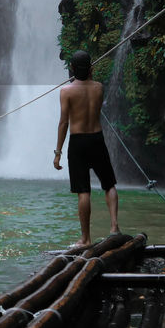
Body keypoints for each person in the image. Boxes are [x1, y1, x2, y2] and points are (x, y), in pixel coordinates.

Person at [53, 50, 120, 245]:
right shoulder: (99, 88)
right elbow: (90, 88)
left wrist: (57, 153)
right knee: (109, 185)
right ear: (91, 68)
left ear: (72, 68)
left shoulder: (66, 92)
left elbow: (63, 123)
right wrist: (89, 74)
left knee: (84, 192)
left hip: (78, 142)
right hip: (97, 139)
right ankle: (114, 227)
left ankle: (86, 239)